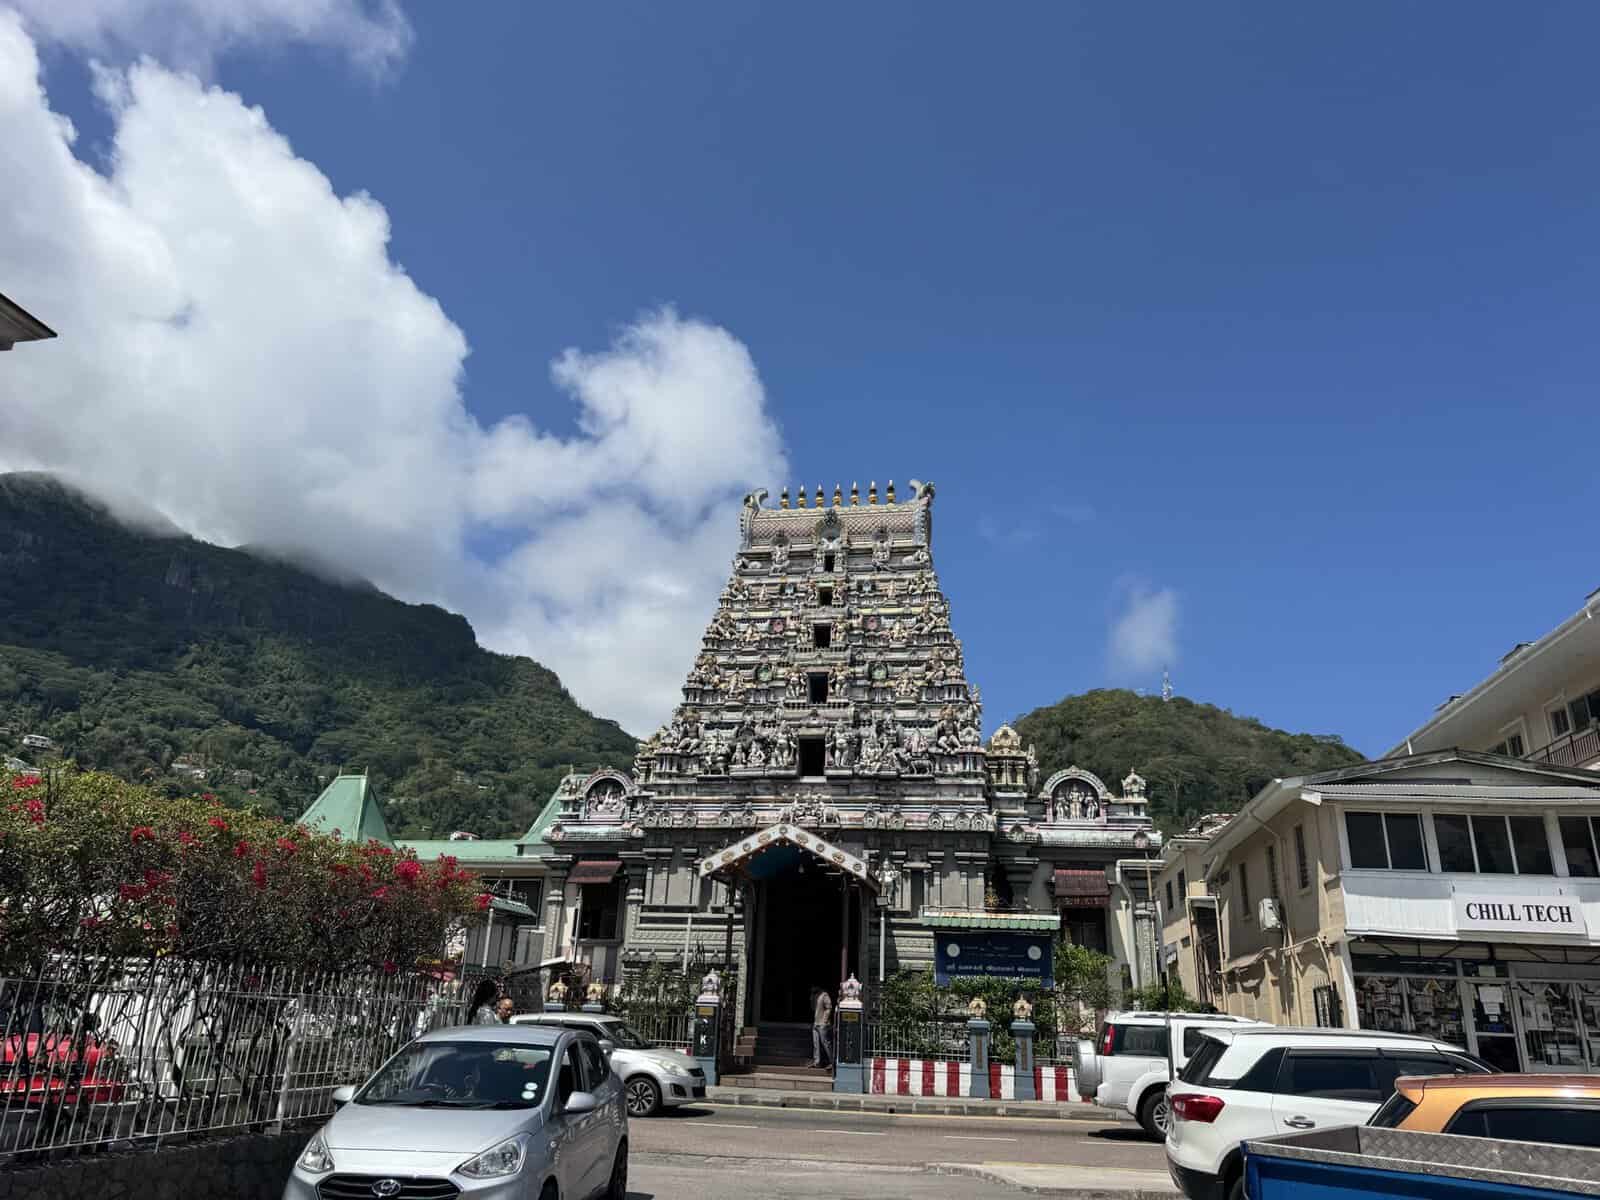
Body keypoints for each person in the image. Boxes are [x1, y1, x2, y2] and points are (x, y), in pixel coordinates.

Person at [810, 986, 833, 1068]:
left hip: (822, 1023)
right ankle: (817, 1062)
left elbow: (829, 1008)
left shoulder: (824, 995)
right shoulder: (814, 996)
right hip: (816, 1023)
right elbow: (813, 1008)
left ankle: (832, 1061)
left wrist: (824, 1021)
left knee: (825, 1043)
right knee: (816, 1043)